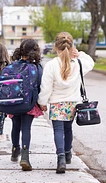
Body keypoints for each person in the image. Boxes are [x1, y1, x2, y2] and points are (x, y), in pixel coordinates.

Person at [38, 32, 94, 174]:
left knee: (58, 130)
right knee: (68, 129)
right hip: (72, 104)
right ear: (71, 47)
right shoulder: (78, 63)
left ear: (56, 47)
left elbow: (46, 87)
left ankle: (61, 158)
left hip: (57, 103)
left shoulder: (51, 65)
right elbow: (91, 63)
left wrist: (42, 102)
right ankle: (68, 154)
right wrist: (80, 53)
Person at [9, 39, 43, 171]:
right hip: (29, 103)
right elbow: (40, 86)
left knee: (15, 126)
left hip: (14, 102)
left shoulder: (12, 65)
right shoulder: (36, 68)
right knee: (26, 128)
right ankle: (25, 156)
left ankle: (14, 150)